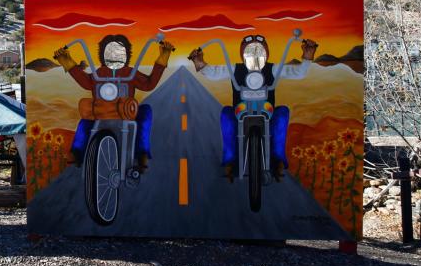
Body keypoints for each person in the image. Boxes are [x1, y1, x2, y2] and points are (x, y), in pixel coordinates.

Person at [188, 33, 318, 180]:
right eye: (250, 51)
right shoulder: (234, 69)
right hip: (240, 112)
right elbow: (213, 73)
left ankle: (278, 158)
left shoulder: (273, 68)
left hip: (267, 111)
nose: (255, 55)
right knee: (227, 114)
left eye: (259, 51)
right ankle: (230, 160)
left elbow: (297, 72)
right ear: (243, 52)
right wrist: (199, 62)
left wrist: (307, 57)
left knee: (281, 113)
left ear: (266, 52)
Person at [53, 35, 174, 171]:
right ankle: (77, 151)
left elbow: (148, 84)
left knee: (144, 112)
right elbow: (86, 82)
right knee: (85, 122)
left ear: (126, 54)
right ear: (103, 55)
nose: (115, 54)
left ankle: (141, 152)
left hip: (121, 111)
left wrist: (163, 57)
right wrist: (67, 61)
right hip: (107, 112)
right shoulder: (103, 72)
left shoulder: (129, 72)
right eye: (111, 51)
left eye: (118, 51)